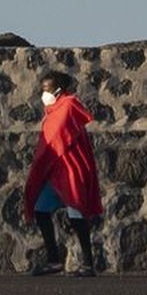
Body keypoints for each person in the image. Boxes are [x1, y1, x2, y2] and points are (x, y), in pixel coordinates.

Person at [24, 71, 103, 276]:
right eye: (42, 90)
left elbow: (57, 138)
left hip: (70, 169)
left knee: (75, 213)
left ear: (59, 90)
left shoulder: (68, 106)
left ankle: (87, 264)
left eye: (47, 90)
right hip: (55, 171)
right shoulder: (53, 110)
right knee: (42, 211)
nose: (44, 94)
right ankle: (54, 261)